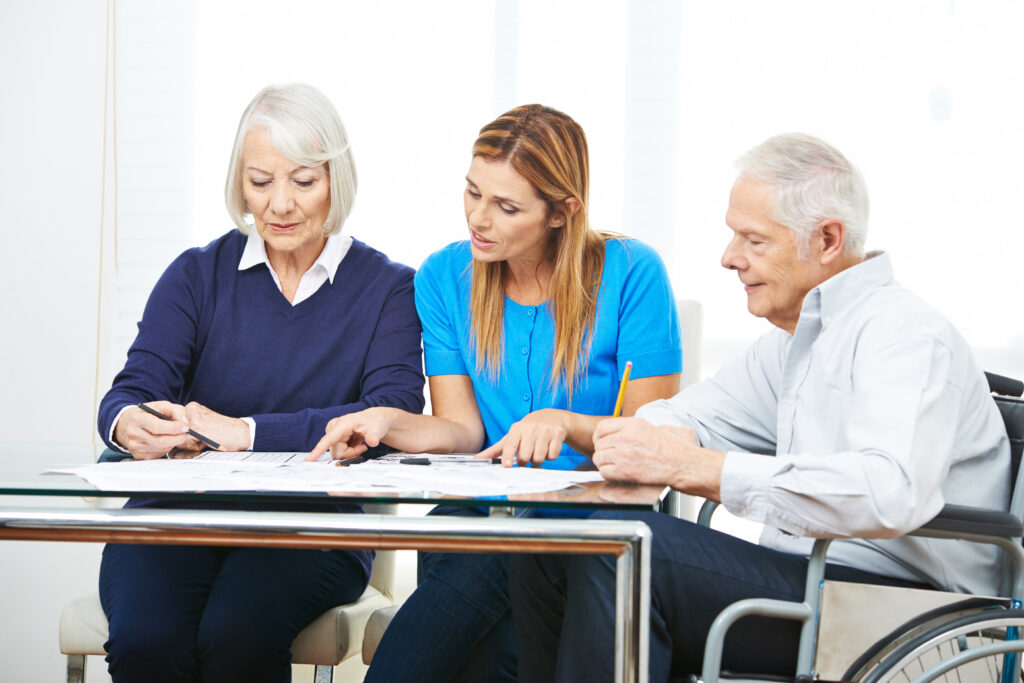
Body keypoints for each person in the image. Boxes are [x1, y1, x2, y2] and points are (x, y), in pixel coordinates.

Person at [509, 132, 1011, 681]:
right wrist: (651, 439)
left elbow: (888, 491)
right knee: (553, 534)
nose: (729, 258)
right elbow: (691, 415)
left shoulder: (905, 334)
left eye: (753, 240)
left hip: (905, 612)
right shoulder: (795, 340)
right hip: (816, 580)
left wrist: (695, 466)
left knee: (622, 550)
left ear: (826, 239)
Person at [310, 104, 683, 681]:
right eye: (472, 192)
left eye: (506, 207)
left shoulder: (632, 272)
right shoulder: (444, 276)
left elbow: (651, 444)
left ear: (562, 212)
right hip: (479, 513)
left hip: (584, 525)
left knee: (492, 597)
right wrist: (386, 419)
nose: (478, 219)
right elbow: (463, 432)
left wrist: (566, 422)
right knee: (483, 578)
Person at [95, 83, 424, 683]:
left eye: (303, 181)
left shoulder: (387, 289)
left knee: (237, 636)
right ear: (238, 184)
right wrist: (127, 423)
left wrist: (246, 432)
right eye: (260, 181)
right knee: (148, 641)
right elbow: (132, 388)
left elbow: (392, 414)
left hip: (313, 530)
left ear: (336, 181)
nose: (280, 205)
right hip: (178, 517)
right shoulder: (197, 274)